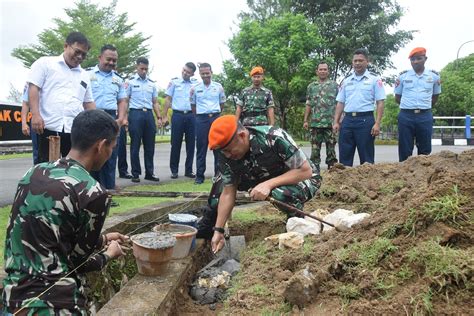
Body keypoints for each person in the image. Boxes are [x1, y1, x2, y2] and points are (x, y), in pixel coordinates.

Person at [2, 109, 128, 315]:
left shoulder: (34, 172)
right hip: (54, 305)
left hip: (13, 300)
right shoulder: (93, 192)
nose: (110, 154)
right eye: (111, 147)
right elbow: (78, 263)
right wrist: (108, 254)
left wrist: (102, 239)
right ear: (101, 145)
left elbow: (50, 236)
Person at [202, 115, 321, 252]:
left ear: (242, 136)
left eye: (229, 150)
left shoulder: (273, 137)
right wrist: (219, 230)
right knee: (219, 183)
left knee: (281, 195)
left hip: (302, 177)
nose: (227, 155)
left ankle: (298, 225)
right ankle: (208, 230)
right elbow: (228, 192)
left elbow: (305, 171)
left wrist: (268, 184)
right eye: (224, 152)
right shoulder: (226, 154)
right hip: (259, 177)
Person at [28, 31, 95, 163]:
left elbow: (88, 103)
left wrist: (99, 125)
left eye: (84, 54)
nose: (80, 56)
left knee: (71, 170)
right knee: (45, 169)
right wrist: (35, 115)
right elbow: (33, 88)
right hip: (47, 127)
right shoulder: (45, 63)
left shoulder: (84, 75)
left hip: (73, 131)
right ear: (66, 46)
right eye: (77, 51)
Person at [333, 48, 385, 166]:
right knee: (345, 157)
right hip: (348, 121)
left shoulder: (374, 80)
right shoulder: (346, 81)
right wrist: (336, 121)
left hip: (366, 121)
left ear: (367, 62)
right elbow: (340, 102)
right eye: (355, 61)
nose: (357, 63)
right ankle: (345, 183)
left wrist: (377, 123)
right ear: (352, 63)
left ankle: (368, 183)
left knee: (366, 158)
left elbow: (380, 102)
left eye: (360, 60)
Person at [87, 44, 128, 193]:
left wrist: (121, 118)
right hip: (92, 116)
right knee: (92, 154)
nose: (111, 63)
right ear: (100, 58)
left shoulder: (118, 79)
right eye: (108, 59)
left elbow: (122, 100)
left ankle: (109, 191)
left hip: (111, 118)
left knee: (110, 155)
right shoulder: (87, 75)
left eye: (114, 61)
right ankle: (93, 191)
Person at [394, 47, 441, 162]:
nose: (415, 62)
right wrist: (410, 107)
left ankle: (423, 175)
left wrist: (423, 107)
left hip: (425, 116)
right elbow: (397, 97)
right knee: (405, 148)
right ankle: (404, 175)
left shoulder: (434, 76)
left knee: (425, 148)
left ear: (425, 59)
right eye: (412, 59)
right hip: (406, 115)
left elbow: (435, 96)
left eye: (418, 59)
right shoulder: (403, 76)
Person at [127, 57, 162, 183]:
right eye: (141, 68)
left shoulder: (151, 84)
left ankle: (149, 172)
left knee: (150, 146)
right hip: (135, 114)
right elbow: (125, 100)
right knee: (135, 145)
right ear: (136, 67)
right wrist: (125, 118)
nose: (144, 71)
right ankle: (135, 173)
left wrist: (158, 117)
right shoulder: (130, 83)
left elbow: (155, 102)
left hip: (148, 115)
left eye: (146, 69)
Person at [190, 62, 226, 185]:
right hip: (201, 119)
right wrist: (201, 116)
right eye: (203, 73)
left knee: (217, 147)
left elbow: (222, 104)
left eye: (207, 73)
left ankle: (218, 175)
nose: (205, 75)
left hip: (215, 118)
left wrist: (214, 115)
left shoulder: (219, 87)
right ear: (200, 74)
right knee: (201, 148)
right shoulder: (195, 88)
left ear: (211, 72)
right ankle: (199, 176)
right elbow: (193, 106)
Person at [162, 62, 198, 179]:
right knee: (175, 143)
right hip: (177, 115)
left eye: (188, 72)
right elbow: (167, 99)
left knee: (191, 144)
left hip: (191, 116)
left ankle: (189, 170)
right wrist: (165, 115)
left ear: (192, 73)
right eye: (184, 70)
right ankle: (174, 170)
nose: (185, 73)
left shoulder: (196, 84)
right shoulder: (174, 82)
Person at [304, 62, 338, 170]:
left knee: (331, 152)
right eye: (321, 69)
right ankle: (315, 175)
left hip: (330, 124)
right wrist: (305, 120)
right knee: (314, 152)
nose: (323, 71)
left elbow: (339, 104)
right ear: (317, 71)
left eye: (325, 69)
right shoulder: (311, 87)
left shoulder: (334, 86)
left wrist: (338, 121)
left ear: (328, 71)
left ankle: (332, 174)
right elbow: (308, 104)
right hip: (315, 124)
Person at [20, 84, 39, 165]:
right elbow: (26, 103)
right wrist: (24, 123)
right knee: (38, 154)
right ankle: (38, 176)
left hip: (62, 122)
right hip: (38, 121)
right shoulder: (32, 83)